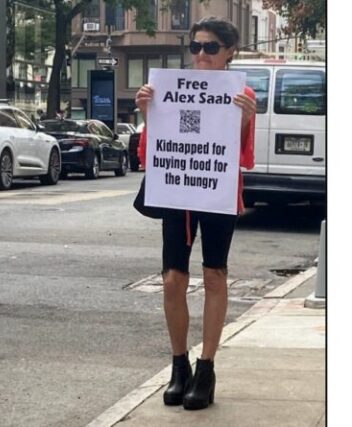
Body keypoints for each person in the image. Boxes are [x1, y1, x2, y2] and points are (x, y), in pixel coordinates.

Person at [134, 16, 257, 410]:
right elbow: (154, 147)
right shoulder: (168, 89)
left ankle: (206, 367)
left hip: (217, 191)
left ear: (229, 52)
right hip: (177, 190)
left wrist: (247, 118)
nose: (202, 54)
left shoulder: (242, 94)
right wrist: (145, 111)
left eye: (211, 47)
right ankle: (178, 365)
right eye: (196, 47)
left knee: (214, 274)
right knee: (172, 279)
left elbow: (238, 154)